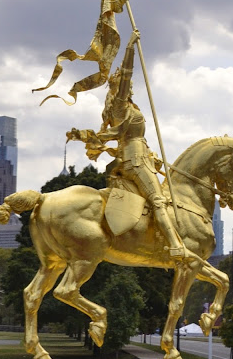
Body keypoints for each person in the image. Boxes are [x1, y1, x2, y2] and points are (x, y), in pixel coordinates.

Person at [67, 30, 187, 261]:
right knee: (159, 200)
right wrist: (130, 47)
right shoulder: (120, 106)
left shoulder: (129, 109)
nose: (130, 87)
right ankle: (174, 245)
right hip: (135, 161)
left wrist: (152, 157)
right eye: (126, 85)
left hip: (142, 157)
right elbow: (126, 75)